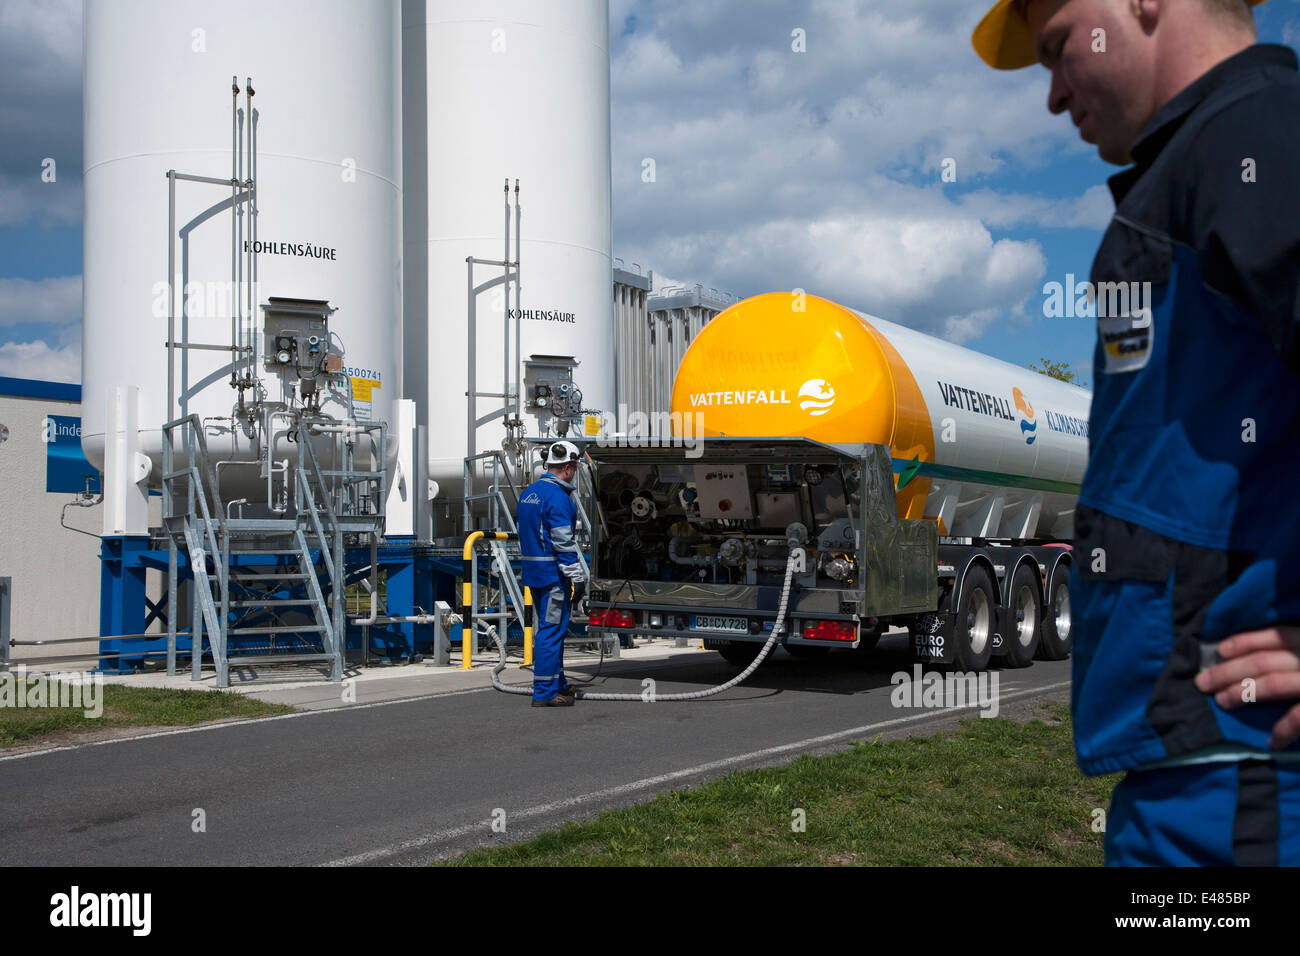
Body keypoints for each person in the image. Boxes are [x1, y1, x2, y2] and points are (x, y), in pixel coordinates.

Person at [973, 0, 1300, 864]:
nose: (1051, 97)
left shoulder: (1254, 137)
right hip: (1195, 772)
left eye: (1055, 50)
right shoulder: (1204, 162)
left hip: (1247, 776)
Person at [517, 440, 588, 707]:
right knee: (550, 631)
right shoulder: (558, 497)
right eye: (575, 468)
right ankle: (545, 692)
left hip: (533, 574)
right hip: (553, 576)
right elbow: (562, 542)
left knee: (551, 629)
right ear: (568, 467)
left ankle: (557, 683)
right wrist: (577, 577)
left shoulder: (529, 493)